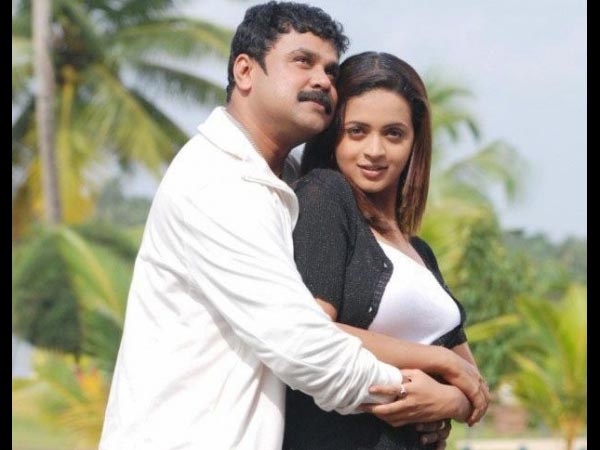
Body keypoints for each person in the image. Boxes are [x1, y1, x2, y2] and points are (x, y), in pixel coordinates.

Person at [98, 4, 487, 449]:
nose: (322, 80)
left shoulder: (279, 185)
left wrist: (450, 398)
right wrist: (425, 391)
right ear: (245, 71)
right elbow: (302, 345)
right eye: (303, 61)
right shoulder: (220, 183)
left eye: (330, 70)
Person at [283, 51, 489, 450]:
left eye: (394, 134)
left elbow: (474, 384)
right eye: (357, 131)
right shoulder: (325, 195)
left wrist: (451, 402)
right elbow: (312, 331)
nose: (374, 150)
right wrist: (439, 362)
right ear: (333, 135)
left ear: (414, 142)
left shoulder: (419, 251)